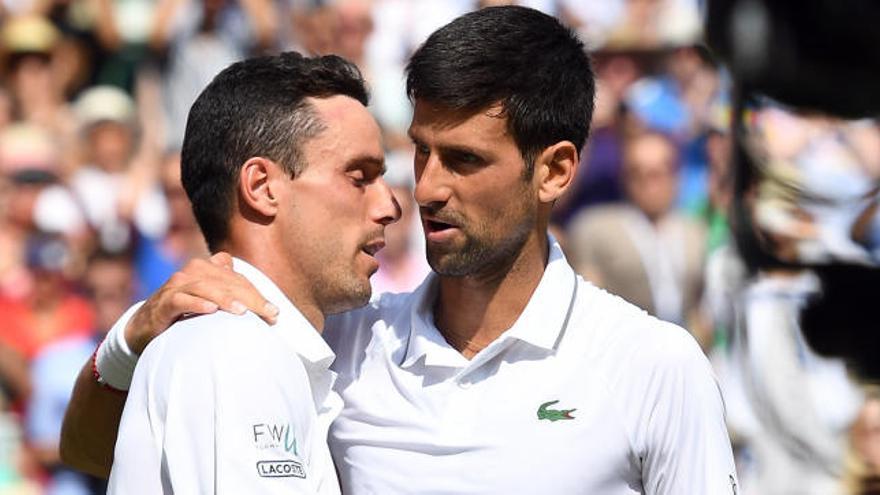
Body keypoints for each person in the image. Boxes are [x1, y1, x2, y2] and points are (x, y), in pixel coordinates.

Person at [61, 7, 736, 494]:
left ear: (554, 171)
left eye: (465, 159)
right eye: (420, 150)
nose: (426, 188)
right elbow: (93, 450)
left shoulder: (654, 366)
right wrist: (133, 335)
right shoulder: (342, 346)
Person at [66, 52, 400, 494]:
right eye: (360, 177)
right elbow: (84, 450)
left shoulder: (255, 341)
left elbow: (85, 450)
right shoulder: (234, 346)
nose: (390, 206)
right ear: (262, 187)